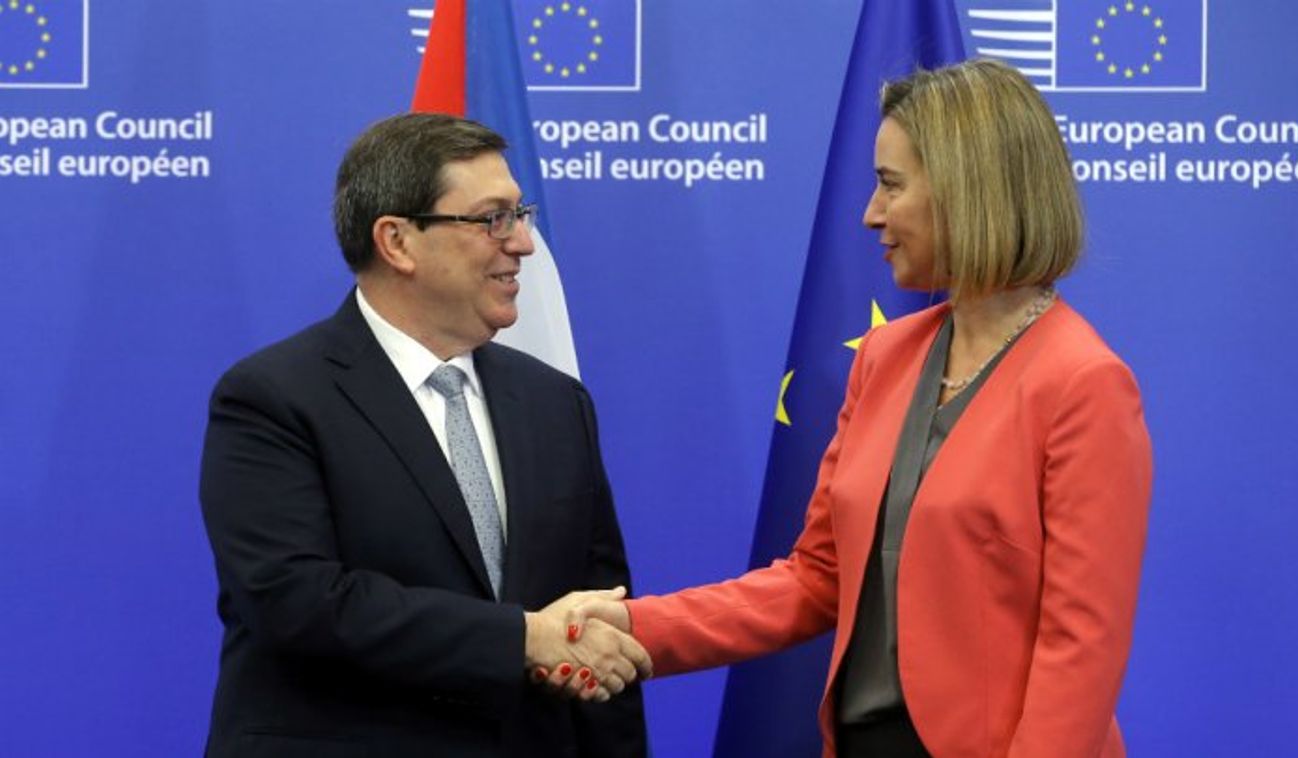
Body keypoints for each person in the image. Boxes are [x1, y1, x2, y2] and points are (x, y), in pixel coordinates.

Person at [558, 59, 1152, 757]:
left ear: (968, 189)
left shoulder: (1083, 384)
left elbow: (1081, 648)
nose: (871, 213)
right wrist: (634, 627)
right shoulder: (885, 356)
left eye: (890, 185)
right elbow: (815, 580)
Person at [198, 113, 650, 757]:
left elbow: (600, 622)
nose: (523, 243)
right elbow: (296, 601)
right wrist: (522, 638)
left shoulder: (554, 402)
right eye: (493, 219)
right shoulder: (274, 397)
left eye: (520, 214)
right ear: (398, 242)